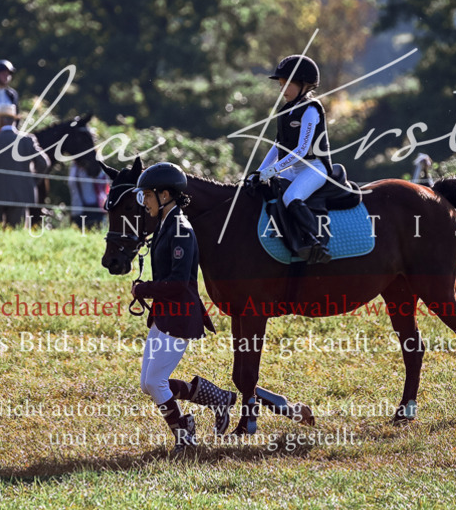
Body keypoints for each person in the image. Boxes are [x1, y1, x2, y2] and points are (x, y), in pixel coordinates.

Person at [130, 162, 235, 452]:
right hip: (164, 314)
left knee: (156, 382)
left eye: (147, 195)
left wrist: (143, 289)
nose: (144, 201)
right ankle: (217, 398)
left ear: (164, 195)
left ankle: (184, 433)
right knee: (148, 384)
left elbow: (178, 284)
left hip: (179, 315)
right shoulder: (165, 225)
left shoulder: (180, 229)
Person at [254, 54, 333, 264]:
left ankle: (316, 242)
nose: (282, 90)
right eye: (280, 85)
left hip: (314, 168)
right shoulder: (286, 111)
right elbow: (277, 146)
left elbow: (302, 150)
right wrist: (259, 172)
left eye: (287, 84)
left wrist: (272, 170)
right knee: (269, 192)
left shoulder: (311, 109)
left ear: (304, 84)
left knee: (291, 196)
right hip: (293, 169)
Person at [0, 104, 47, 227]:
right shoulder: (27, 140)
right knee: (17, 232)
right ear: (13, 121)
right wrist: (32, 181)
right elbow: (43, 163)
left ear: (1, 120)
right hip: (21, 194)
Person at [68, 156, 109, 228]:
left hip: (94, 209)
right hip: (78, 209)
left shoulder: (95, 164)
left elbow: (102, 183)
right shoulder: (74, 167)